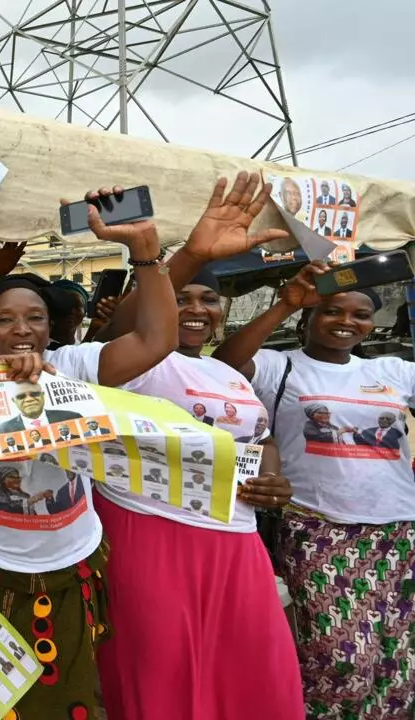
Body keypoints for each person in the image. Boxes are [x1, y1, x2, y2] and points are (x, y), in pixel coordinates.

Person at [0, 183, 178, 718]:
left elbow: (157, 341)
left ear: (50, 325)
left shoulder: (76, 366)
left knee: (72, 697)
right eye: (5, 320)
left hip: (72, 560)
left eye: (35, 318)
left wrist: (145, 251)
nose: (22, 330)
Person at [85, 172, 302, 719]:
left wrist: (271, 478)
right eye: (181, 298)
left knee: (254, 678)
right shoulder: (135, 360)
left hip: (237, 539)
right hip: (151, 533)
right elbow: (132, 325)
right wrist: (186, 257)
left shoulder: (227, 373)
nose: (197, 308)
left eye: (209, 298)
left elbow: (258, 438)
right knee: (162, 680)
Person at [213, 260, 415, 719]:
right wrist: (283, 304)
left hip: (398, 530)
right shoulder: (279, 365)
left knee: (394, 656)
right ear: (308, 317)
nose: (347, 322)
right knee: (338, 658)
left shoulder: (392, 371)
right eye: (331, 311)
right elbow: (222, 366)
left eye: (360, 315)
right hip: (318, 529)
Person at [0, 381, 82, 434]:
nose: (29, 399)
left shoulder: (72, 418)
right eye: (21, 396)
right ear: (14, 400)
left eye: (34, 394)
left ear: (43, 395)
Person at [49, 279, 89, 348]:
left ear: (84, 312)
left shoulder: (80, 346)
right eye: (64, 304)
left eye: (77, 305)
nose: (71, 311)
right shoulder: (39, 347)